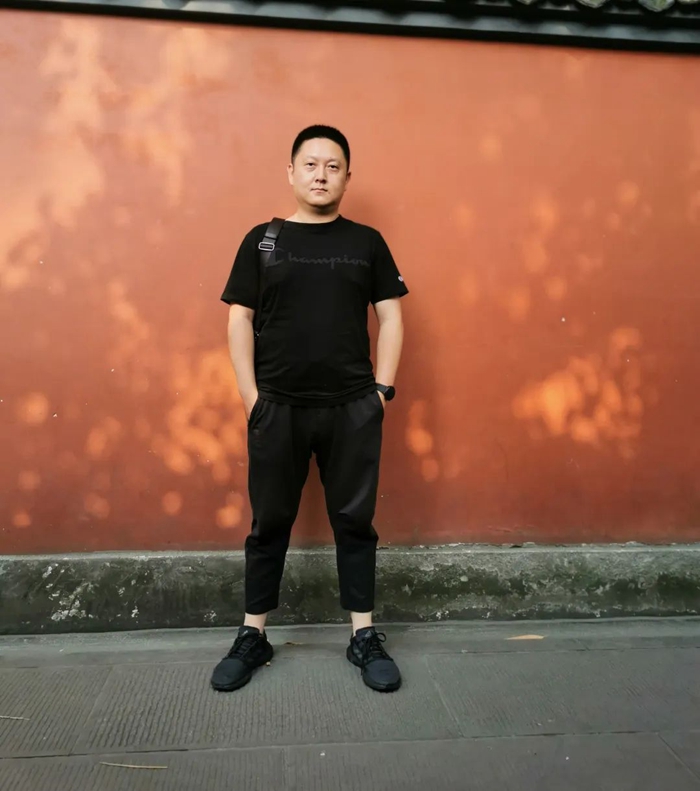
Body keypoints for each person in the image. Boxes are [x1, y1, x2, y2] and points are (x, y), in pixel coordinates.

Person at [211, 125, 408, 694]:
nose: (321, 175)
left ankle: (363, 635)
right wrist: (252, 398)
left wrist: (381, 392)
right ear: (292, 172)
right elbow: (239, 318)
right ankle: (253, 635)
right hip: (277, 408)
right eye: (311, 164)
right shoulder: (263, 240)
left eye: (333, 166)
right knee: (269, 521)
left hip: (352, 408)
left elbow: (391, 316)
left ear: (347, 177)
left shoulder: (367, 242)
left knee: (355, 521)